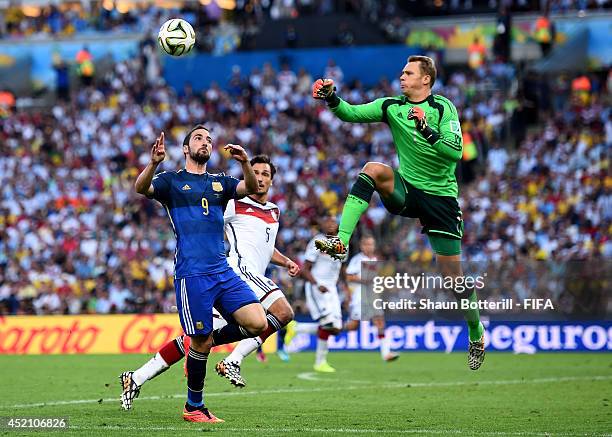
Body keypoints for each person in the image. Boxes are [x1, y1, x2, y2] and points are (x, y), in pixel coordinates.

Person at [311, 56, 486, 371]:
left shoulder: (443, 108)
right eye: (402, 72)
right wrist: (332, 98)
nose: (401, 77)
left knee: (454, 282)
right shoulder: (391, 105)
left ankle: (475, 331)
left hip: (440, 199)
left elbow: (455, 152)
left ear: (426, 80)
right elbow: (350, 113)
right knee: (373, 169)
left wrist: (426, 128)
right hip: (407, 191)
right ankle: (341, 239)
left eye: (408, 73)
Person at [121, 155, 299, 405]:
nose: (259, 178)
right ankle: (232, 360)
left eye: (265, 174)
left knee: (195, 339)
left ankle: (137, 377)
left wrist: (286, 261)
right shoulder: (235, 203)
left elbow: (265, 248)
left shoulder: (273, 211)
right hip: (236, 273)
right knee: (283, 312)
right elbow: (204, 215)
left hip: (249, 277)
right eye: (255, 172)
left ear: (271, 180)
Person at [125, 126, 268, 423]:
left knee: (258, 322)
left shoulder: (220, 182)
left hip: (222, 271)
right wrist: (153, 163)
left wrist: (244, 163)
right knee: (200, 342)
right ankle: (194, 406)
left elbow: (252, 189)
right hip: (193, 274)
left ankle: (200, 342)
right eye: (199, 138)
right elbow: (141, 189)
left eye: (209, 140)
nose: (206, 142)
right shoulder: (171, 181)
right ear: (186, 148)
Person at [291, 215, 344, 373]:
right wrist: (317, 284)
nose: (330, 224)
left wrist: (344, 288)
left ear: (338, 225)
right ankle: (320, 362)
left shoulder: (342, 243)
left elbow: (339, 268)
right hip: (317, 286)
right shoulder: (317, 241)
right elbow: (305, 269)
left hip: (331, 289)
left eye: (333, 221)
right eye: (327, 221)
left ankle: (297, 328)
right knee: (328, 323)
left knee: (336, 328)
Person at [344, 234, 399, 362]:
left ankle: (386, 354)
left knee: (380, 322)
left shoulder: (374, 259)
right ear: (362, 246)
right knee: (353, 326)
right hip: (359, 297)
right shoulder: (357, 259)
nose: (369, 247)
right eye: (366, 244)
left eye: (371, 244)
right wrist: (366, 280)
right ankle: (333, 327)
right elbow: (349, 277)